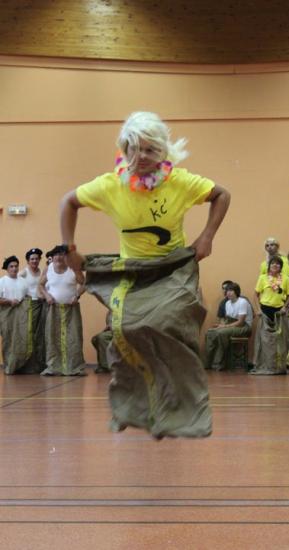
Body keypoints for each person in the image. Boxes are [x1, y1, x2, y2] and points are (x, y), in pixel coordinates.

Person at [60, 111, 230, 439]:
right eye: (134, 149)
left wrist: (207, 235)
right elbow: (68, 202)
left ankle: (183, 405)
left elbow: (222, 194)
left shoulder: (181, 182)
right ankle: (135, 403)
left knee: (167, 322)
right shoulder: (109, 186)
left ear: (164, 153)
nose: (142, 157)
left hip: (174, 268)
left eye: (150, 150)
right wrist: (69, 249)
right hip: (133, 271)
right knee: (124, 328)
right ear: (124, 150)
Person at [38, 245, 86, 376]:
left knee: (73, 337)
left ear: (66, 257)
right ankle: (53, 367)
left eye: (62, 254)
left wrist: (77, 296)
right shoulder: (48, 269)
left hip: (71, 309)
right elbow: (41, 285)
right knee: (52, 337)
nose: (59, 257)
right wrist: (47, 296)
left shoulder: (73, 269)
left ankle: (75, 367)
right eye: (56, 255)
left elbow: (84, 283)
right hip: (54, 309)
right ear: (52, 257)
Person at [251, 255, 289, 375]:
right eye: (273, 263)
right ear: (269, 266)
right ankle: (264, 365)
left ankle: (279, 367)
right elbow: (255, 295)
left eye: (278, 264)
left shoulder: (286, 279)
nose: (275, 265)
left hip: (279, 312)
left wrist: (285, 307)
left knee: (280, 341)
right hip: (265, 311)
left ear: (281, 267)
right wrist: (258, 309)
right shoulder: (263, 278)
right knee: (264, 341)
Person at [205, 282, 253, 371]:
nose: (228, 293)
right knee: (210, 332)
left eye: (231, 291)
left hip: (244, 327)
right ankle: (208, 362)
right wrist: (221, 325)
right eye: (227, 291)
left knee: (221, 333)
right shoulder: (227, 303)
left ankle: (219, 363)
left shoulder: (242, 302)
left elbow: (240, 322)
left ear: (236, 292)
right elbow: (228, 320)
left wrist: (224, 327)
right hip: (232, 325)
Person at [0, 256, 34, 374]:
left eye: (16, 266)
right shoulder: (2, 281)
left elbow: (28, 297)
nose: (14, 269)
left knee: (21, 339)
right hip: (6, 315)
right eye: (11, 266)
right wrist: (10, 301)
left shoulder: (23, 282)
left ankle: (19, 365)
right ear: (7, 268)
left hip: (21, 316)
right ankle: (9, 366)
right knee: (8, 339)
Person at [18, 247, 46, 372]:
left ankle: (39, 364)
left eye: (36, 259)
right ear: (28, 261)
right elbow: (16, 287)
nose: (34, 261)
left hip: (42, 305)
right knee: (30, 332)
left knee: (40, 333)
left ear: (39, 260)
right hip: (30, 305)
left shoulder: (42, 272)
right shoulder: (23, 273)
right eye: (32, 259)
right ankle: (27, 364)